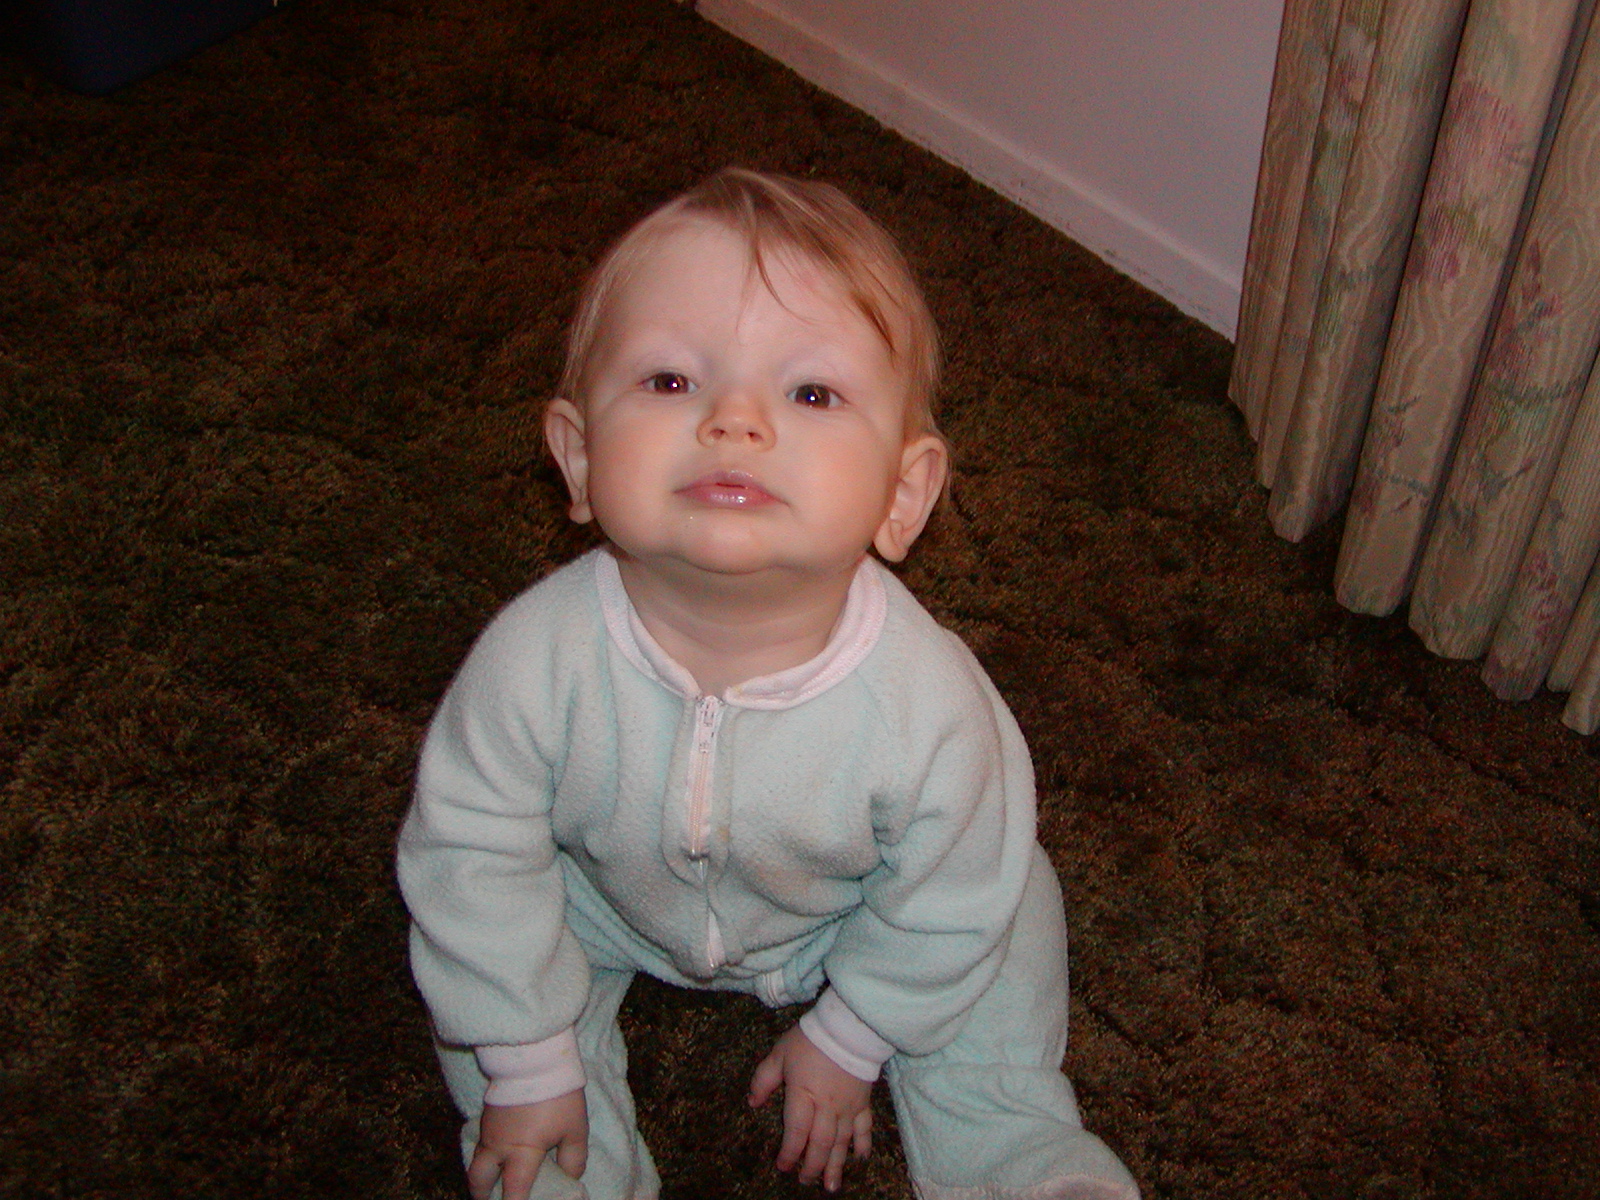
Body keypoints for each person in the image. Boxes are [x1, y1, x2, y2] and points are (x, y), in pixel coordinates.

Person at [396, 167, 1140, 1200]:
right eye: (670, 381)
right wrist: (524, 1057)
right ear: (578, 457)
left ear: (903, 495)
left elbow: (949, 888)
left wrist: (854, 1033)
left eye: (811, 393)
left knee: (1005, 898)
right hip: (600, 898)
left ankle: (1015, 1153)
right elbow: (471, 846)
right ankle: (562, 1160)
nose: (735, 421)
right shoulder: (533, 663)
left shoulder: (929, 706)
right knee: (484, 978)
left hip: (854, 916)